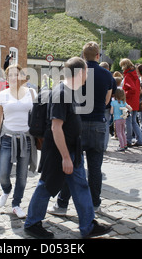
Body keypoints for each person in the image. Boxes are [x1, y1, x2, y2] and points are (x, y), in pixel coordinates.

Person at [24, 57, 111, 239]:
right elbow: (56, 127)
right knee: (47, 185)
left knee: (80, 186)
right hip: (58, 151)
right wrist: (65, 157)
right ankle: (32, 223)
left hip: (72, 148)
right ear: (80, 73)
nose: (88, 74)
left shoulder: (71, 91)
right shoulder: (61, 93)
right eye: (87, 71)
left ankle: (88, 225)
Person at [49, 42, 113, 215]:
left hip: (77, 123)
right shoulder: (107, 75)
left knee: (74, 166)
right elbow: (107, 101)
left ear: (83, 56)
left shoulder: (78, 73)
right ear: (98, 56)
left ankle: (62, 205)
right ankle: (95, 204)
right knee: (95, 168)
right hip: (98, 123)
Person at [0, 64, 37, 218]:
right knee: (3, 173)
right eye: (10, 75)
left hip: (25, 139)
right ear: (6, 77)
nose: (13, 77)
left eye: (16, 74)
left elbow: (37, 117)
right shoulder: (2, 95)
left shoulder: (31, 93)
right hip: (7, 139)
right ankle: (6, 189)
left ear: (21, 76)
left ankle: (16, 204)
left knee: (22, 176)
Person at [120, 58, 142, 147]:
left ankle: (128, 140)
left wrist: (123, 94)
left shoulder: (128, 76)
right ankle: (139, 139)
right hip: (135, 101)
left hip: (129, 102)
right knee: (133, 122)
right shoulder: (135, 75)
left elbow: (131, 89)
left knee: (128, 122)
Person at [100, 62, 117, 151]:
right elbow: (114, 92)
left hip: (95, 105)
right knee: (105, 125)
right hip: (106, 105)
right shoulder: (111, 78)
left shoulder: (93, 75)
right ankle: (104, 146)